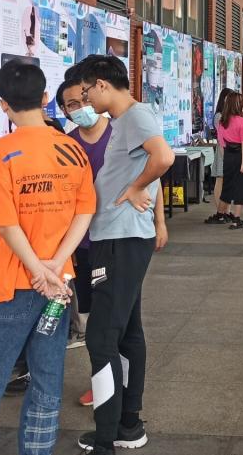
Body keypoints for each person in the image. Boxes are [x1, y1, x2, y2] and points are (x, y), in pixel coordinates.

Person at [0, 61, 95, 455]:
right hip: (57, 287)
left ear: (3, 104)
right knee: (47, 382)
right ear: (45, 98)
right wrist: (54, 265)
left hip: (8, 288)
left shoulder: (1, 153)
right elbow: (84, 212)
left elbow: (6, 223)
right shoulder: (72, 150)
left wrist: (35, 269)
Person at [76, 55, 175, 454]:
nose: (85, 100)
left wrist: (136, 189)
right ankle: (128, 424)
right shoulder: (126, 121)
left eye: (86, 92)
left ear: (102, 84)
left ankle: (106, 438)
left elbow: (163, 158)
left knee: (101, 337)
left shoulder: (135, 116)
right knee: (128, 332)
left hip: (121, 239)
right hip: (119, 237)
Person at [57, 74, 114, 406]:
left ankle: (118, 384)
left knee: (116, 316)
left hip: (116, 239)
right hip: (83, 243)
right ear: (65, 111)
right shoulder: (67, 145)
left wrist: (159, 223)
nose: (80, 107)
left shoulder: (119, 134)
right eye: (71, 105)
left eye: (83, 99)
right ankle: (100, 381)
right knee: (92, 318)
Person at [212, 91, 243, 229]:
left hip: (227, 156)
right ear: (238, 104)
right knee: (241, 187)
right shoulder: (242, 121)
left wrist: (226, 159)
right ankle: (236, 219)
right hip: (240, 156)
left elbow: (221, 144)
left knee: (227, 187)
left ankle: (220, 214)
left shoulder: (222, 121)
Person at [203, 88, 234, 225]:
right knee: (220, 181)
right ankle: (220, 212)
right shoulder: (219, 116)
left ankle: (227, 211)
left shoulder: (230, 115)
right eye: (230, 98)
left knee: (228, 183)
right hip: (222, 152)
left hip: (231, 152)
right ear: (224, 99)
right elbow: (226, 133)